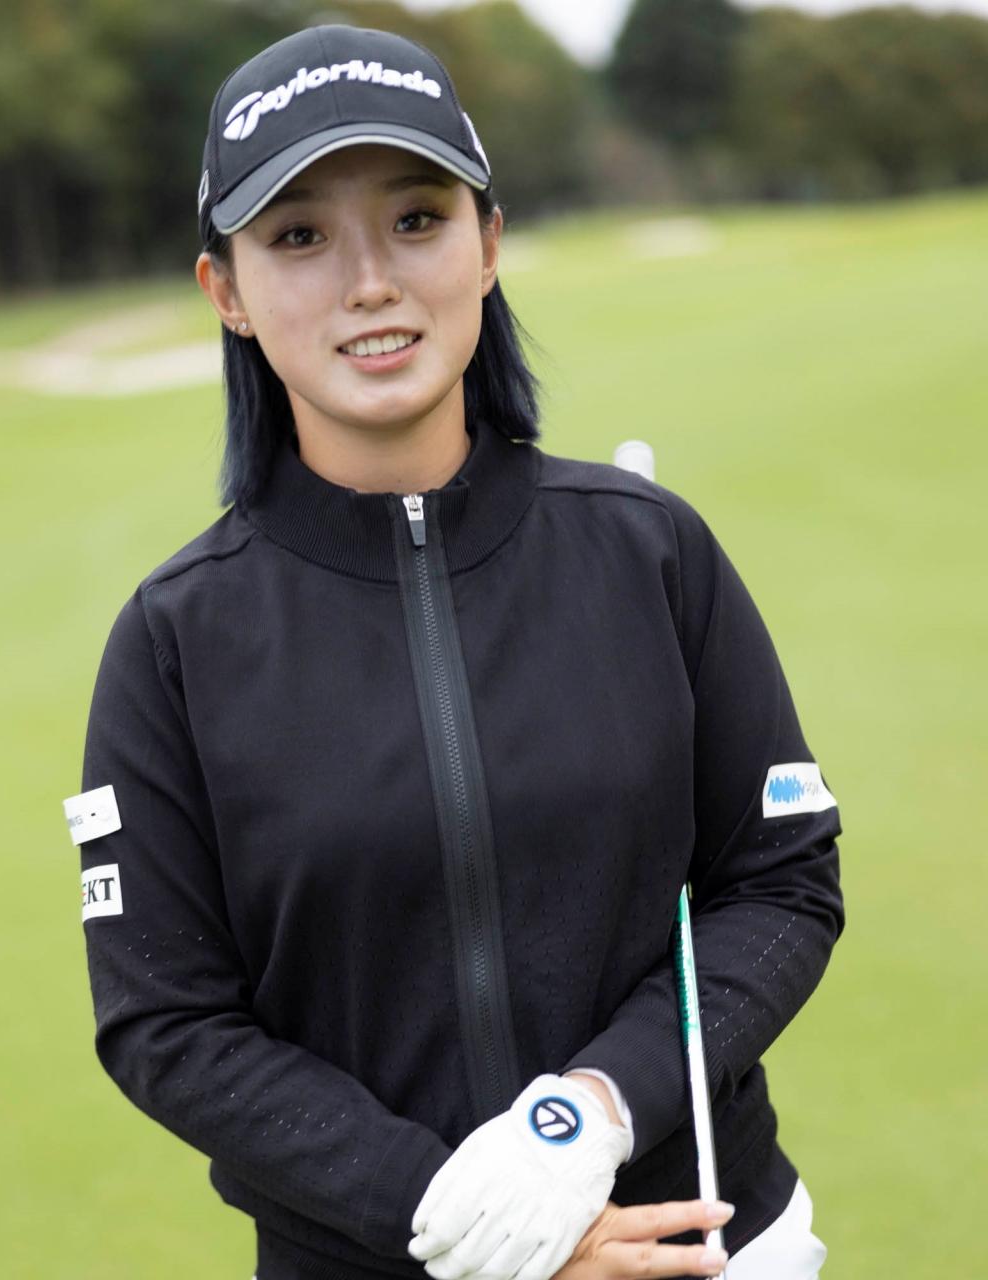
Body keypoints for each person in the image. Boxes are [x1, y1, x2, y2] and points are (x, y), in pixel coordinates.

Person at [67, 23, 843, 1280]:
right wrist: (465, 1217)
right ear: (225, 291)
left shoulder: (650, 551)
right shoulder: (173, 642)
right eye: (299, 236)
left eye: (416, 219)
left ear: (486, 244)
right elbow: (168, 1018)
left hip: (704, 1248)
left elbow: (780, 884)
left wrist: (584, 1116)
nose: (369, 281)